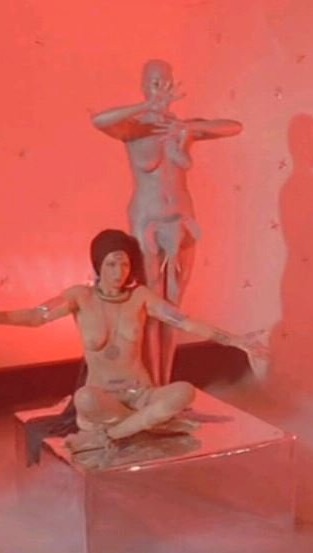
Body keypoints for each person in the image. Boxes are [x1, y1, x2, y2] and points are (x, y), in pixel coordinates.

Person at [0, 229, 266, 468]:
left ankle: (115, 434)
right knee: (85, 398)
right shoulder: (80, 297)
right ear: (98, 265)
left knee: (184, 392)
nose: (119, 272)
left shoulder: (140, 297)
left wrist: (235, 341)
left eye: (125, 264)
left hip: (141, 395)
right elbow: (39, 316)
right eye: (111, 264)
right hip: (102, 399)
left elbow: (185, 322)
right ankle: (144, 426)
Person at [91, 59, 243, 386]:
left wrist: (185, 129)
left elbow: (234, 127)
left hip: (181, 221)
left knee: (174, 308)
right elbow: (99, 120)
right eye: (154, 82)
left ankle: (164, 381)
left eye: (165, 81)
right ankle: (147, 384)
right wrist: (145, 107)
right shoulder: (133, 128)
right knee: (148, 306)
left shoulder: (180, 128)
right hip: (147, 222)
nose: (161, 87)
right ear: (144, 86)